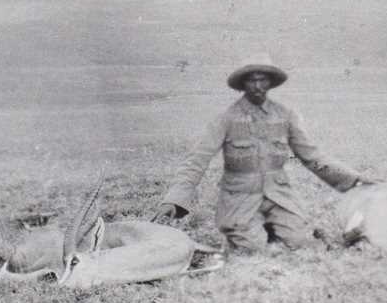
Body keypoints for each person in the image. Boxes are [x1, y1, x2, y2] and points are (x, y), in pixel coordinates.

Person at [157, 54, 371, 253]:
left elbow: (312, 156)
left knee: (302, 244)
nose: (258, 86)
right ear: (243, 84)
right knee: (252, 251)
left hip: (279, 196)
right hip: (239, 199)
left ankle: (285, 230)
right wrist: (175, 199)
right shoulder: (225, 119)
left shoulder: (286, 115)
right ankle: (250, 234)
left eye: (263, 79)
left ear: (270, 82)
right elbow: (197, 160)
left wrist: (356, 181)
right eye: (252, 80)